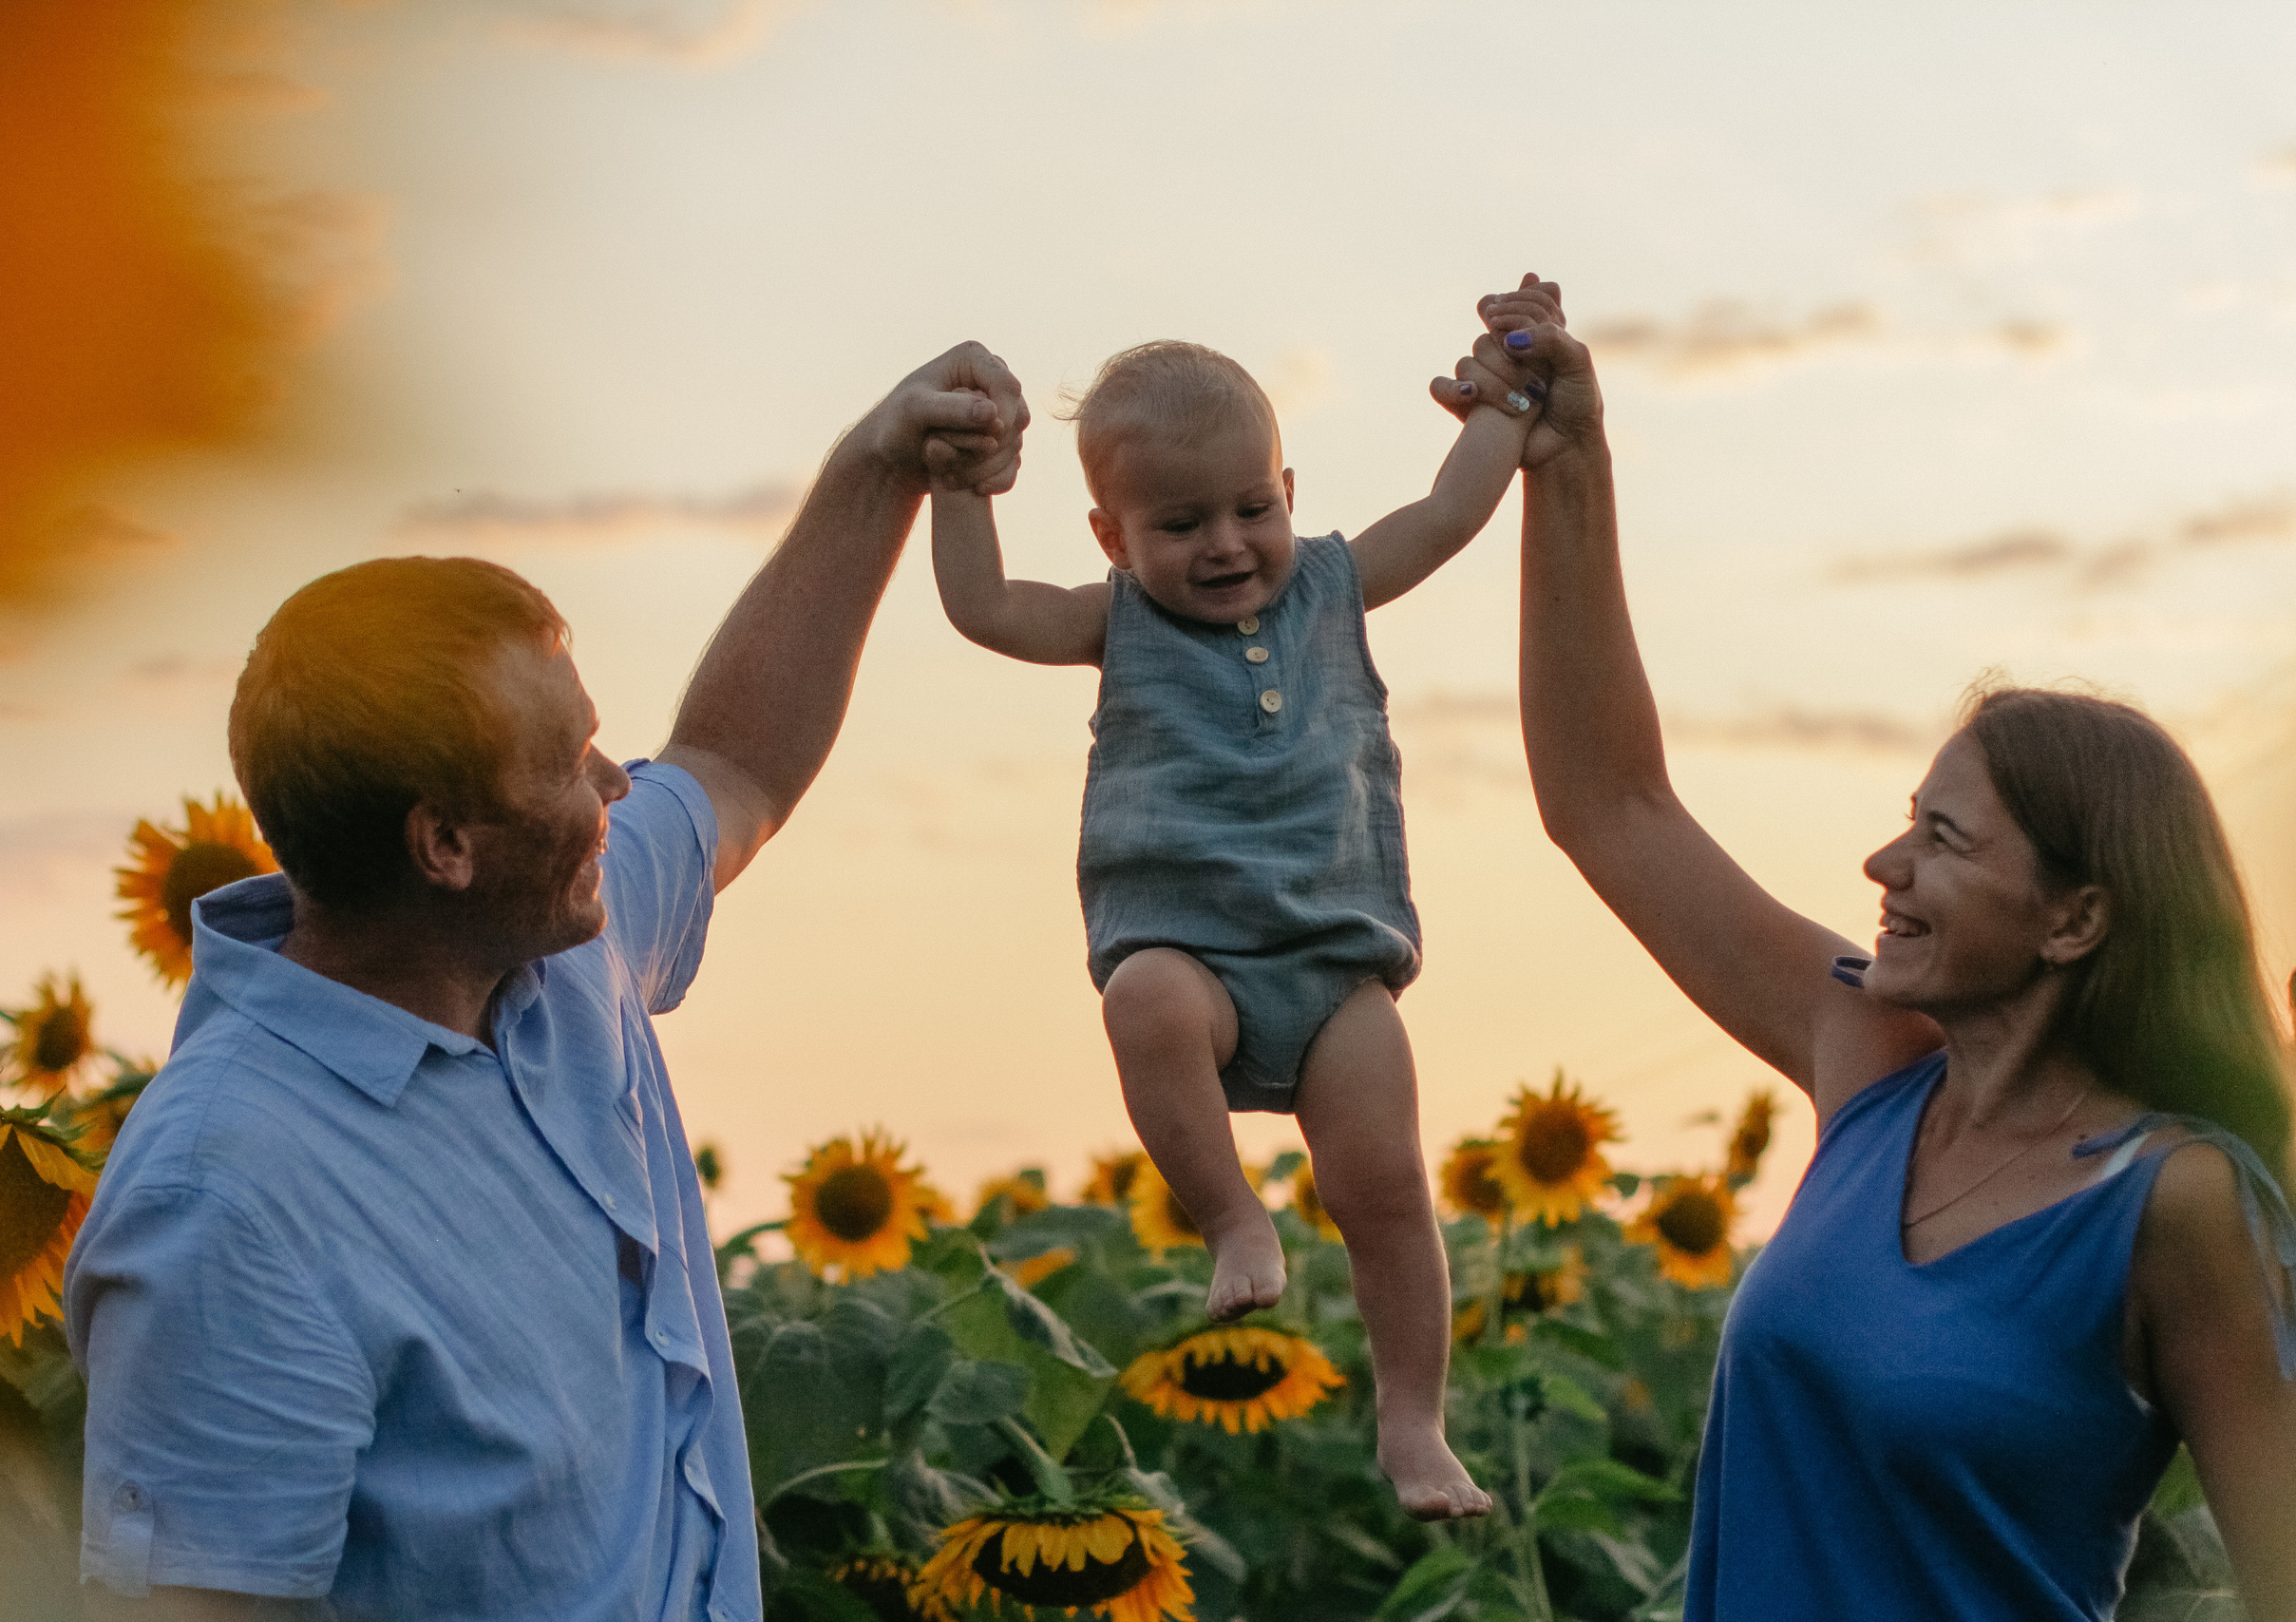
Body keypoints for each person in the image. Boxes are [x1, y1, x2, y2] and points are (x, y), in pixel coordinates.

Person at [63, 343, 1030, 1622]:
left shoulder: (556, 956)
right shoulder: (229, 1193)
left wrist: (881, 464)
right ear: (445, 843)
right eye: (569, 759)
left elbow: (733, 764)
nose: (614, 785)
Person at [1452, 274, 2296, 1619]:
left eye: (1946, 842)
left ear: (2076, 917)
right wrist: (1571, 467)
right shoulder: (1872, 1060)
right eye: (1908, 823)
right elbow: (1609, 803)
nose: (1883, 868)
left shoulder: (2176, 1200)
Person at [927, 329, 1538, 1519]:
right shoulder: (1117, 624)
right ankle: (1231, 1218)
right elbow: (985, 608)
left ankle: (1414, 1425)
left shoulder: (1334, 582)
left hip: (1332, 966)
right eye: (1179, 523)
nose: (1224, 545)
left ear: (1290, 494)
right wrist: (956, 489)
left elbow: (1449, 513)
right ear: (1111, 537)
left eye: (1251, 508)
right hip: (1187, 953)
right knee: (1139, 1003)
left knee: (1388, 1191)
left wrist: (1507, 408)